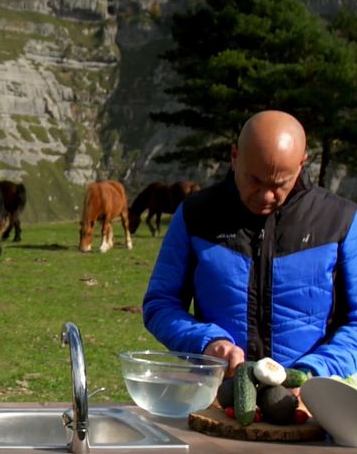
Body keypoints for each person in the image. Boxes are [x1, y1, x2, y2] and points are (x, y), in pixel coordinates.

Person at [143, 110, 357, 378]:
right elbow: (160, 304)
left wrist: (316, 371)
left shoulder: (341, 220)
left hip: (318, 397)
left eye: (280, 183)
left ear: (302, 164)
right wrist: (207, 343)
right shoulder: (195, 215)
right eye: (255, 180)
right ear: (235, 157)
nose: (267, 195)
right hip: (220, 396)